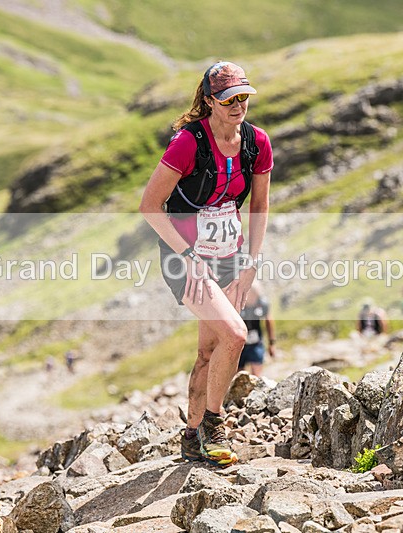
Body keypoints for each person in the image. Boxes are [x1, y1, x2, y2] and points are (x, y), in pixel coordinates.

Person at [139, 61, 273, 466]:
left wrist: (251, 262)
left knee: (210, 349)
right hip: (185, 257)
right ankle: (215, 424)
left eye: (244, 96)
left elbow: (260, 205)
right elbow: (149, 206)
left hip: (230, 254)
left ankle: (192, 435)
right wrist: (188, 255)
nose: (239, 105)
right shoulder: (188, 143)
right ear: (210, 101)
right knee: (235, 334)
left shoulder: (257, 142)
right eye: (230, 99)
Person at [238, 284, 276, 377]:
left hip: (256, 342)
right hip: (239, 343)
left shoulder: (262, 303)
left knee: (256, 374)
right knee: (238, 374)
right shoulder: (237, 303)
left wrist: (271, 343)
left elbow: (268, 321)